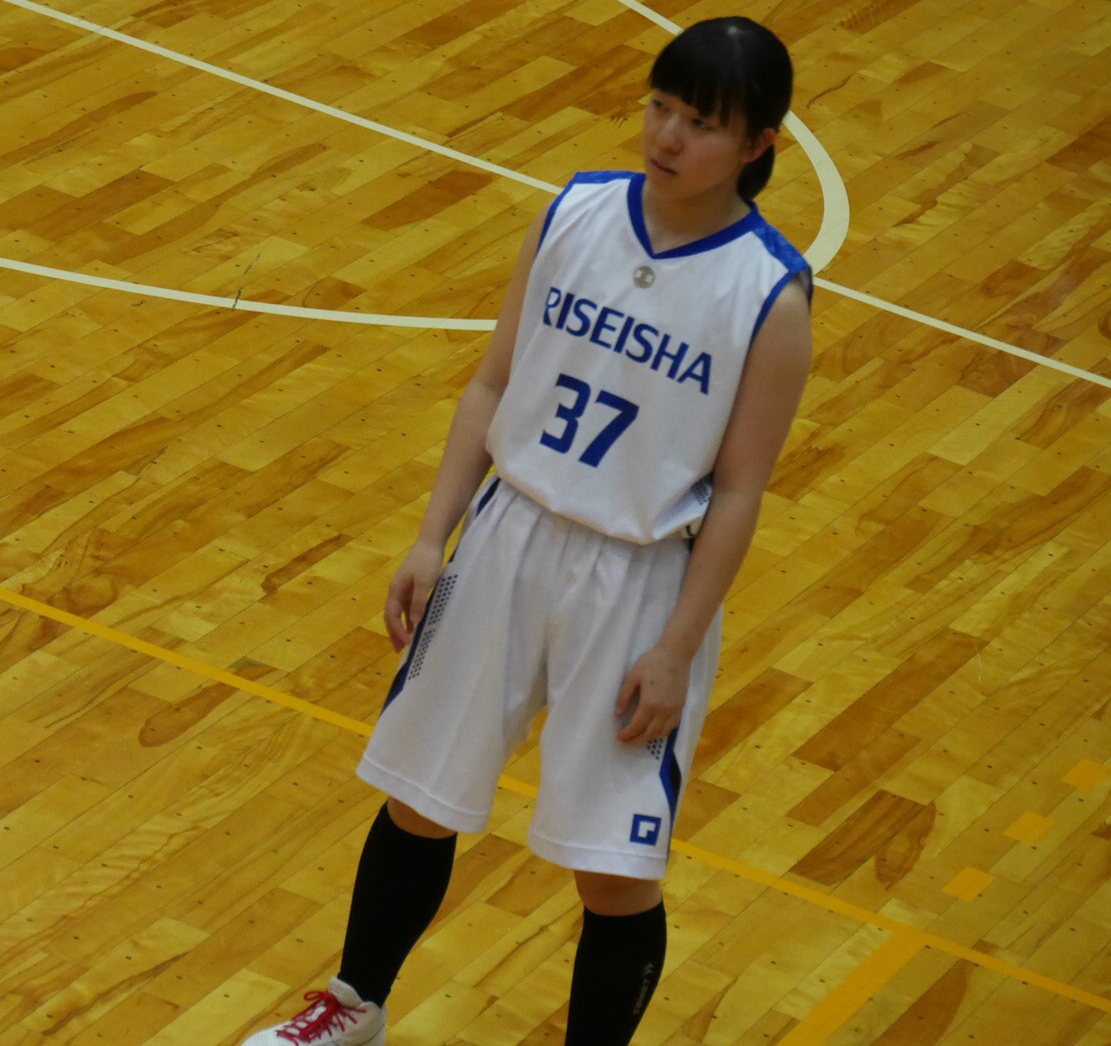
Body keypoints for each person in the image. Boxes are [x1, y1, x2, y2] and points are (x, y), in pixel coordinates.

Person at [243, 16, 812, 1046]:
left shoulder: (768, 294)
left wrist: (677, 646)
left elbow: (739, 494)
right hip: (507, 538)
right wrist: (432, 537)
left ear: (758, 146)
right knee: (419, 797)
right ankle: (353, 1005)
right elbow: (492, 381)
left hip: (637, 582)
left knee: (613, 870)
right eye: (660, 107)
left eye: (700, 123)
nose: (668, 135)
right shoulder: (575, 212)